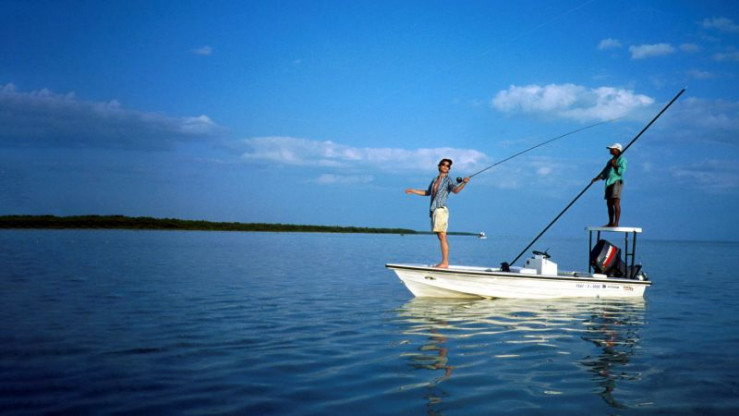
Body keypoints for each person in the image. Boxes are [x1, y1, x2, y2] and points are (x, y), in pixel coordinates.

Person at [406, 158, 470, 268]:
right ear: (439, 166)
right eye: (443, 164)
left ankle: (445, 262)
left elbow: (455, 191)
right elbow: (427, 192)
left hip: (441, 210)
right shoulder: (435, 180)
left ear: (449, 169)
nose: (445, 167)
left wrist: (464, 183)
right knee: (440, 236)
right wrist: (413, 191)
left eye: (448, 166)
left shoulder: (448, 180)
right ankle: (444, 262)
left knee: (442, 236)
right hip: (434, 210)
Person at [591, 143, 627, 227]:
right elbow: (604, 173)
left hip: (616, 182)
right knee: (609, 203)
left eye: (612, 149)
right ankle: (610, 222)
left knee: (615, 202)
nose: (610, 150)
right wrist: (596, 179)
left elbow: (621, 171)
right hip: (609, 183)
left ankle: (616, 223)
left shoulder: (622, 159)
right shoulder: (610, 161)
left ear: (617, 150)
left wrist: (614, 165)